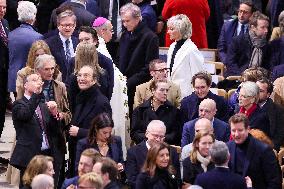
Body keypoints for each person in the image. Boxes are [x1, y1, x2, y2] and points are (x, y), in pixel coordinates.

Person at [79, 24, 129, 155]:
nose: (83, 43)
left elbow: (110, 88)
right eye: (81, 40)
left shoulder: (105, 61)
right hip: (79, 113)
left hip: (98, 108)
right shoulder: (74, 60)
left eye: (87, 40)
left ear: (95, 41)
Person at [10, 73, 62, 188]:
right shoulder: (18, 104)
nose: (38, 82)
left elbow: (55, 130)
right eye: (34, 80)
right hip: (30, 155)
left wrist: (55, 114)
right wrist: (37, 95)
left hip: (47, 153)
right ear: (25, 85)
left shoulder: (43, 105)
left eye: (39, 80)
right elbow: (25, 115)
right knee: (28, 185)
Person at [68, 65, 112, 177]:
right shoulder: (80, 97)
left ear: (94, 80)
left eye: (86, 75)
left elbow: (106, 133)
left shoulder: (101, 102)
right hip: (78, 152)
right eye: (79, 75)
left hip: (92, 156)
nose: (81, 78)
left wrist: (80, 132)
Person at [119, 3, 159, 113]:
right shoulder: (125, 35)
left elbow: (149, 67)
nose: (124, 24)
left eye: (127, 21)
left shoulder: (150, 37)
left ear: (137, 18)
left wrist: (129, 82)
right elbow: (119, 59)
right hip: (123, 85)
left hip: (138, 88)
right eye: (123, 21)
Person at [227, 113, 282, 189]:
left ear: (248, 129)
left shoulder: (264, 150)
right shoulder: (227, 147)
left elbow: (274, 182)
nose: (236, 134)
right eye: (233, 130)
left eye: (240, 130)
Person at [125, 120, 180, 189]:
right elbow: (132, 180)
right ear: (146, 134)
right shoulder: (133, 152)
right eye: (155, 136)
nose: (158, 139)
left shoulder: (172, 152)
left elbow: (177, 179)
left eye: (161, 137)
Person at [7, 1, 43, 95]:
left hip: (13, 78)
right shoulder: (38, 37)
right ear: (34, 15)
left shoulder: (10, 35)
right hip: (29, 79)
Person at [166, 14, 204, 99]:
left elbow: (198, 75)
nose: (168, 32)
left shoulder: (191, 49)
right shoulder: (172, 46)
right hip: (171, 95)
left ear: (181, 30)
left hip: (185, 96)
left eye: (172, 29)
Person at [131, 80, 181, 145]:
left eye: (167, 90)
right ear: (153, 91)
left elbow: (176, 133)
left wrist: (162, 139)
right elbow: (135, 133)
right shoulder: (140, 110)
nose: (165, 93)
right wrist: (150, 139)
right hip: (145, 147)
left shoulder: (173, 111)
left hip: (165, 146)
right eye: (162, 90)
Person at [67, 42, 113, 111]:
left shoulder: (74, 77)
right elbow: (108, 94)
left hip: (80, 115)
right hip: (100, 112)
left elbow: (71, 101)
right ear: (95, 56)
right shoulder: (103, 74)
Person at [225, 11, 270, 77]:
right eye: (262, 27)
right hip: (237, 78)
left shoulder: (266, 46)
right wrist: (242, 77)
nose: (266, 31)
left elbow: (268, 66)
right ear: (253, 27)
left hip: (258, 79)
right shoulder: (238, 41)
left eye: (267, 27)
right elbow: (230, 63)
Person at [45, 9, 79, 82]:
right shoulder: (49, 43)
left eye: (70, 25)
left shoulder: (78, 42)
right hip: (57, 85)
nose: (67, 28)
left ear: (75, 25)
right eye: (64, 25)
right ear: (58, 25)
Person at [256, 78, 284, 150]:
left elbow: (279, 135)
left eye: (261, 91)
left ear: (268, 94)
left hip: (268, 148)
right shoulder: (246, 106)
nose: (256, 93)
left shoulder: (278, 110)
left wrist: (268, 149)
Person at [0, 0, 9, 141]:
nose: (2, 10)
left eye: (4, 7)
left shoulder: (5, 23)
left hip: (3, 75)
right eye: (0, 7)